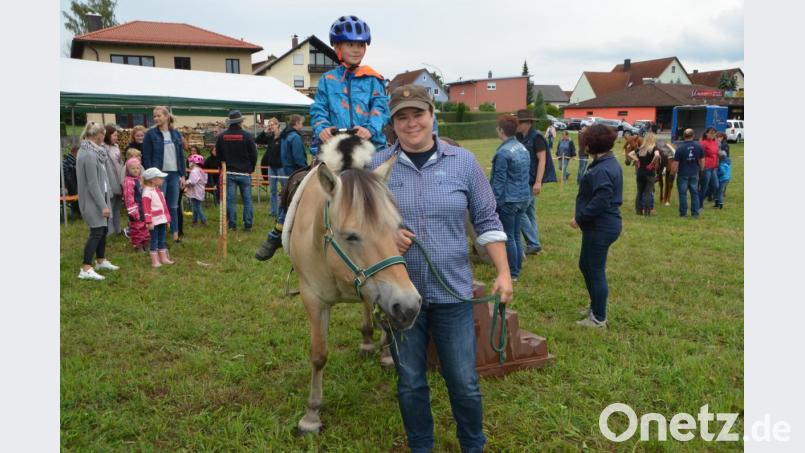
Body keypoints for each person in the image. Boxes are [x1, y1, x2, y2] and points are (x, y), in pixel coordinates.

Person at [370, 84, 512, 453]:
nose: (411, 122)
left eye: (417, 113)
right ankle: (421, 447)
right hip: (401, 298)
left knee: (463, 381)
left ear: (433, 115)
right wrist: (388, 234)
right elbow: (363, 228)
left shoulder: (463, 163)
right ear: (393, 123)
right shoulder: (377, 168)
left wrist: (503, 272)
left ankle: (473, 446)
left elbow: (486, 218)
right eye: (402, 116)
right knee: (411, 381)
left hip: (453, 294)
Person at [571, 124, 623, 328]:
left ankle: (599, 318)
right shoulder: (605, 162)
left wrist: (580, 218)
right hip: (599, 226)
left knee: (595, 270)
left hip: (600, 226)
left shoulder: (602, 168)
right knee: (586, 265)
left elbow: (602, 199)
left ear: (591, 144)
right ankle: (595, 306)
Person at [310, 15, 389, 150]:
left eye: (360, 45)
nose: (356, 50)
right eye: (350, 45)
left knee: (385, 168)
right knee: (313, 170)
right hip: (335, 146)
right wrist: (322, 128)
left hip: (370, 146)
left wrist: (370, 129)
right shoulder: (327, 79)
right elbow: (319, 108)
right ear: (337, 47)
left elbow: (380, 108)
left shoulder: (373, 79)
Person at [255, 115, 307, 259]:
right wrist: (304, 170)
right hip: (294, 172)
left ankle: (278, 228)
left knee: (285, 199)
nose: (302, 126)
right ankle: (277, 234)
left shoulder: (284, 136)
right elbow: (298, 157)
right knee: (290, 201)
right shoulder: (293, 137)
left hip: (286, 171)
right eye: (302, 123)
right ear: (297, 123)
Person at [76, 122, 119, 280]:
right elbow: (92, 183)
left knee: (103, 230)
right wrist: (103, 205)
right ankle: (85, 268)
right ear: (99, 134)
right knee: (96, 232)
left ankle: (100, 261)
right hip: (93, 201)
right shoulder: (88, 154)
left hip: (101, 197)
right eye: (104, 134)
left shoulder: (96, 152)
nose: (105, 137)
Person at [491, 114, 532, 280]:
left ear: (501, 130)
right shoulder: (522, 148)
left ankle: (512, 273)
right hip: (523, 197)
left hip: (509, 199)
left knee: (508, 237)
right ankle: (516, 269)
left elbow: (499, 181)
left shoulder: (502, 152)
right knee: (515, 235)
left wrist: (492, 201)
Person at [514, 109, 557, 255]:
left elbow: (542, 160)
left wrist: (538, 182)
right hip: (523, 179)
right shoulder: (519, 136)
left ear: (528, 123)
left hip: (531, 180)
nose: (517, 124)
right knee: (529, 213)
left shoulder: (537, 137)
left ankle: (533, 243)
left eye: (519, 122)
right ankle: (534, 243)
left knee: (518, 212)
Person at [143, 106, 186, 242]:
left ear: (166, 117)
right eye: (154, 116)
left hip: (174, 174)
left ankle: (175, 235)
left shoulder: (176, 134)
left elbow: (180, 156)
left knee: (173, 206)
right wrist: (151, 176)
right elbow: (147, 156)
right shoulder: (150, 134)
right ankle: (158, 237)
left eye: (158, 115)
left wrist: (183, 175)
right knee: (158, 206)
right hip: (159, 175)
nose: (156, 118)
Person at [216, 110, 258, 231]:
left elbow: (218, 155)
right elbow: (254, 154)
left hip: (229, 172)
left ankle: (232, 225)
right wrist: (251, 168)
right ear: (240, 122)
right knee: (247, 200)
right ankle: (248, 225)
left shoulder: (222, 137)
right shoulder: (247, 136)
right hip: (245, 172)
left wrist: (221, 166)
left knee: (231, 200)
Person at [142, 167, 174, 267]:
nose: (163, 180)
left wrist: (167, 218)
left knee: (162, 238)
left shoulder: (158, 191)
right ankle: (155, 261)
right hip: (154, 221)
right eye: (160, 178)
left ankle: (163, 258)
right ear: (153, 180)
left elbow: (164, 206)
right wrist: (149, 222)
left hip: (161, 219)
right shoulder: (147, 193)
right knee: (154, 240)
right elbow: (146, 209)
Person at [672, 128, 705, 218]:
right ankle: (695, 214)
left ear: (683, 136)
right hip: (694, 173)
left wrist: (672, 173)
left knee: (683, 194)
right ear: (693, 136)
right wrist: (701, 170)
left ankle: (683, 214)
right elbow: (702, 160)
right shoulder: (699, 146)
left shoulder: (680, 148)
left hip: (683, 174)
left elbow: (675, 164)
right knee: (694, 193)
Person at [627, 132, 661, 216]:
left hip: (640, 173)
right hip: (649, 174)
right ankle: (647, 212)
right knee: (648, 193)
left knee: (639, 192)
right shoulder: (654, 148)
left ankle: (638, 211)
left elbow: (630, 154)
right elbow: (657, 155)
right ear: (653, 139)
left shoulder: (640, 148)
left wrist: (637, 160)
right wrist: (652, 164)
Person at [256, 118, 283, 217]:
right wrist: (264, 131)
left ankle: (283, 211)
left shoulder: (283, 137)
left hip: (281, 167)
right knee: (273, 190)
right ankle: (273, 211)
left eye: (272, 125)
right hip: (271, 167)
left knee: (284, 189)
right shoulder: (270, 137)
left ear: (278, 125)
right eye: (269, 125)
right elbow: (257, 140)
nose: (271, 126)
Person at [122, 158, 150, 251]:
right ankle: (138, 245)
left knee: (145, 225)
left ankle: (146, 242)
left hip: (143, 207)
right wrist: (133, 211)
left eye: (137, 168)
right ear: (128, 170)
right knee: (136, 226)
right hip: (135, 208)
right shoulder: (128, 181)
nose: (135, 170)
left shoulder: (140, 179)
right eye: (133, 168)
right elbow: (128, 198)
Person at [102, 124, 125, 236]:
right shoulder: (102, 148)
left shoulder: (116, 146)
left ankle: (118, 229)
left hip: (119, 180)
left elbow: (120, 162)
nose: (116, 138)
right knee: (110, 206)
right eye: (114, 135)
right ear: (107, 135)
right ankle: (110, 231)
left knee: (117, 207)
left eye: (117, 135)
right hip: (110, 182)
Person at [699, 127, 720, 207]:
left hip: (714, 167)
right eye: (711, 133)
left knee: (715, 185)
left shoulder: (715, 142)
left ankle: (699, 198)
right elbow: (700, 156)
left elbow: (716, 153)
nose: (712, 134)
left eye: (714, 133)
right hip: (706, 167)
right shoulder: (703, 143)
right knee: (704, 186)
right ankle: (700, 204)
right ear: (706, 133)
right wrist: (701, 167)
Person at [186, 154, 209, 226]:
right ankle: (194, 221)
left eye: (190, 162)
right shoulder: (202, 171)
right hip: (200, 190)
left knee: (197, 207)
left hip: (195, 191)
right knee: (195, 206)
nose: (189, 163)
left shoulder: (194, 171)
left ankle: (203, 220)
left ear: (194, 163)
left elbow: (192, 181)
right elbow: (205, 181)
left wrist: (186, 182)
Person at [62, 146, 81, 220]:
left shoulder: (67, 162)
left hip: (70, 189)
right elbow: (69, 181)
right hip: (71, 190)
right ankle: (78, 212)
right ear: (75, 153)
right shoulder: (71, 164)